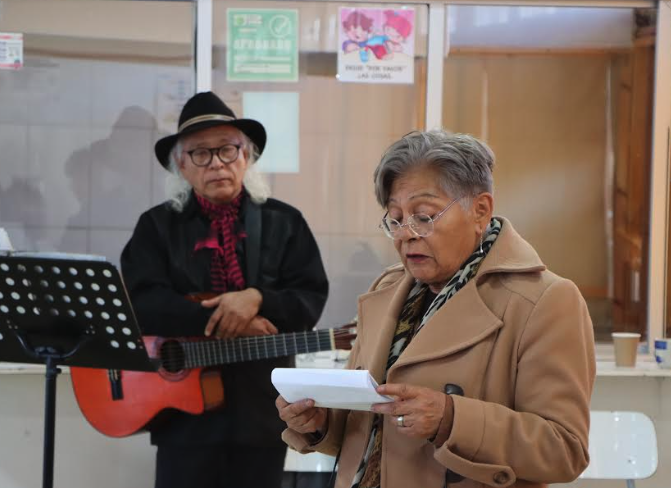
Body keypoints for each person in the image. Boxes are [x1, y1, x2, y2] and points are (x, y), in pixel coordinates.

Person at [277, 130, 596, 488]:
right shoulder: (387, 290)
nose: (405, 234)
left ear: (480, 211)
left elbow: (564, 450)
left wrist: (451, 418)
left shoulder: (545, 301)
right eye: (395, 219)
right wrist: (320, 422)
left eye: (424, 216)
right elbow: (366, 429)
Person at [121, 91, 329, 488]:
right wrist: (226, 319)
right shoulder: (156, 227)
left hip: (262, 412)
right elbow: (140, 303)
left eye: (227, 150)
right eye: (200, 153)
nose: (216, 163)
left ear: (246, 157)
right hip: (182, 417)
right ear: (181, 165)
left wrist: (258, 299)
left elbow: (309, 300)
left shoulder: (286, 222)